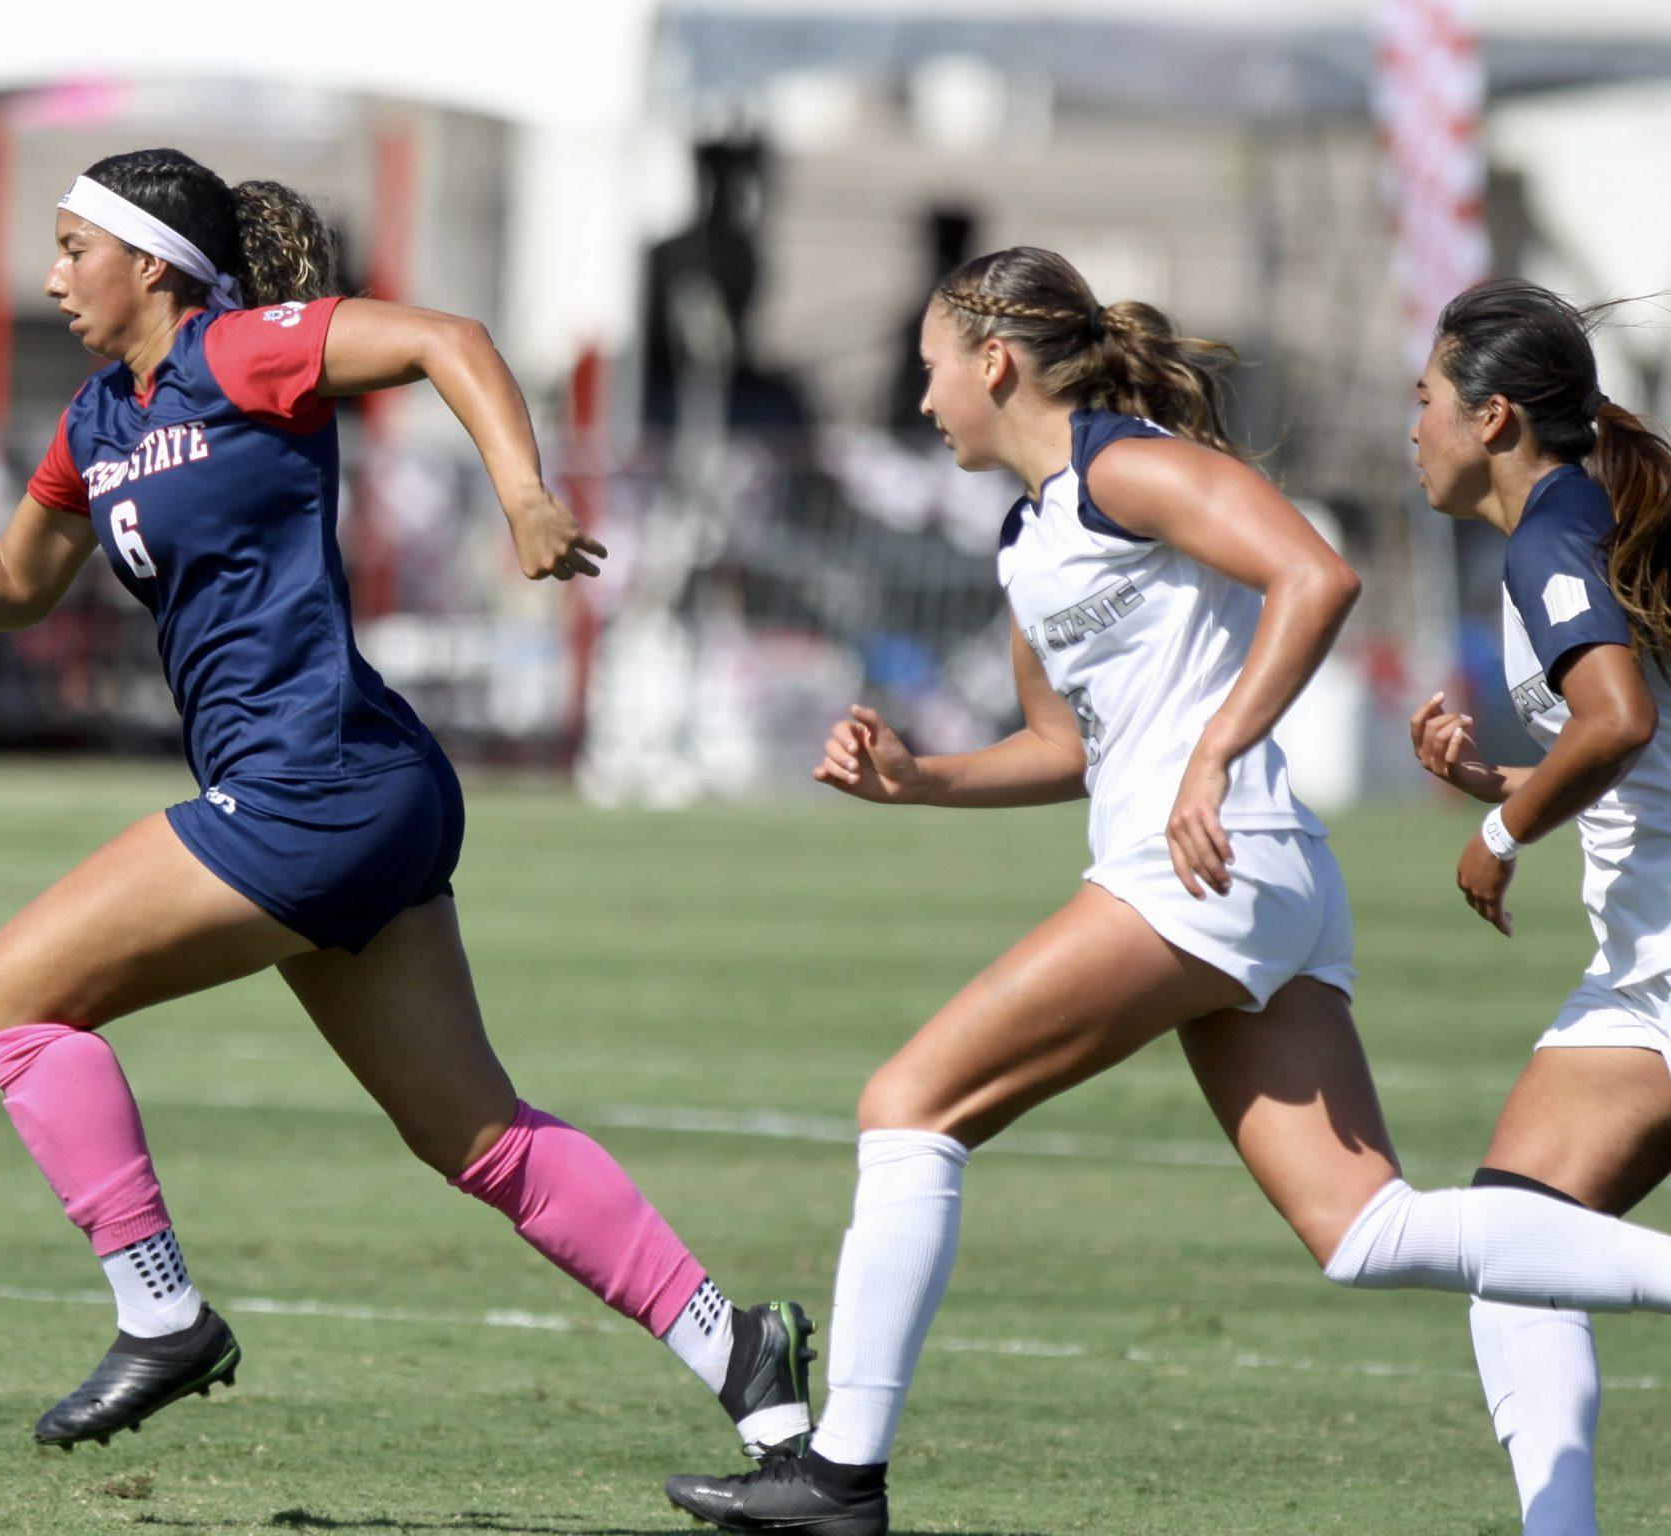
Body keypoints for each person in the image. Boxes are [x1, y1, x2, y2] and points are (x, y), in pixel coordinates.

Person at [0, 148, 812, 1461]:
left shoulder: (242, 352)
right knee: (477, 1137)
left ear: (149, 261)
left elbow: (450, 339)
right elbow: (18, 576)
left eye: (71, 250)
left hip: (316, 785)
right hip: (355, 791)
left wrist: (527, 495)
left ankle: (161, 1317)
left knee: (11, 1000)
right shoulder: (98, 415)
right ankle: (749, 1363)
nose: (50, 279)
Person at [664, 249, 1671, 1535]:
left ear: (993, 363)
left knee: (908, 1104)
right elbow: (1064, 750)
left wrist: (1211, 757)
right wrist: (918, 780)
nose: (918, 403)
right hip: (1240, 877)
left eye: (929, 373)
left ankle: (837, 1476)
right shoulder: (1030, 532)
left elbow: (1316, 575)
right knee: (1366, 1231)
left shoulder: (1120, 465)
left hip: (1207, 864)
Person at [1406, 278, 1671, 1536]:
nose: (1412, 427)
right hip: (1645, 975)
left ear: (1493, 416)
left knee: (1507, 1245)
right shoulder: (1587, 511)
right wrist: (1502, 779)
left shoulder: (1549, 530)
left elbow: (1620, 722)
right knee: (1513, 1246)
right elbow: (1636, 763)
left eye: (1425, 402)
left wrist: (1499, 832)